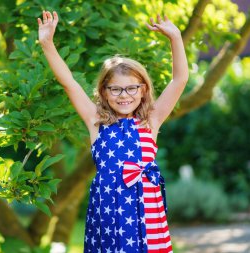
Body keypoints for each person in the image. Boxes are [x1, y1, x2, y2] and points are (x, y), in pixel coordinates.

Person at [37, 10, 188, 253]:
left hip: (148, 211)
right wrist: (47, 44)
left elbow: (179, 80)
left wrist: (176, 38)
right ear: (104, 92)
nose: (124, 95)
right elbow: (69, 83)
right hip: (109, 214)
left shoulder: (151, 120)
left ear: (143, 90)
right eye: (115, 89)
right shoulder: (96, 120)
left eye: (131, 88)